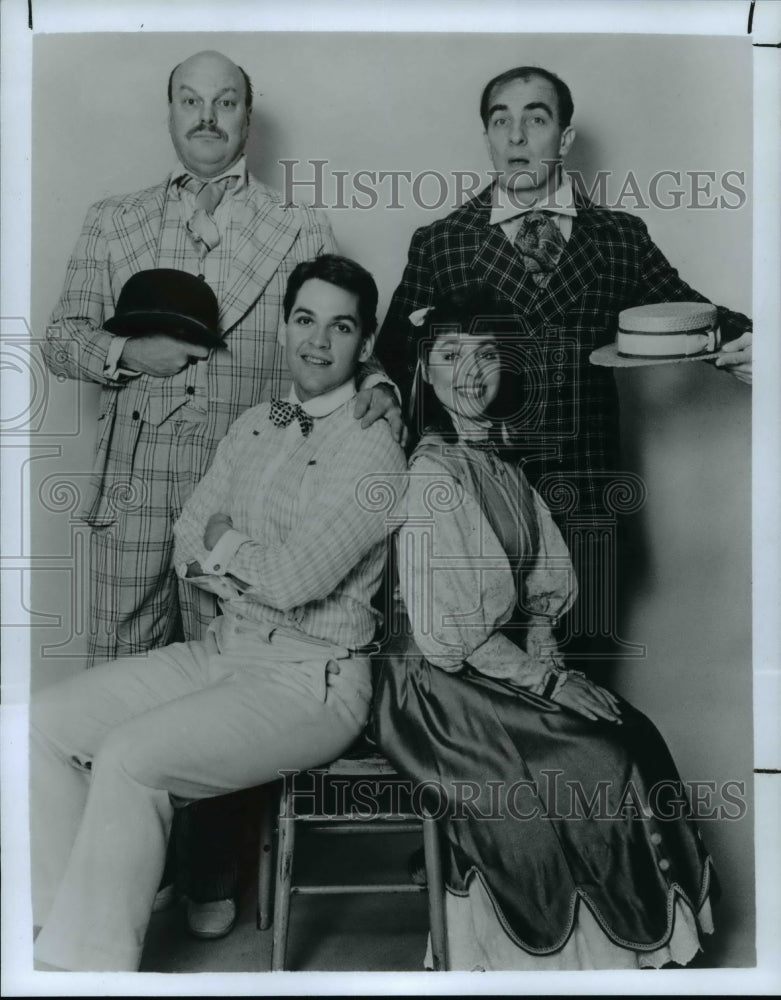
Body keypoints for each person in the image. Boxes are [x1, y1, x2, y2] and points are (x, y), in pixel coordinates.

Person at [40, 49, 400, 934]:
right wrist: (129, 355)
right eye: (191, 101)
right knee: (120, 688)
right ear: (169, 113)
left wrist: (387, 391)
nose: (208, 117)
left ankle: (209, 879)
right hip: (138, 480)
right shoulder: (114, 219)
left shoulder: (295, 222)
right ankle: (113, 889)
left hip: (256, 481)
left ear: (249, 115)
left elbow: (339, 328)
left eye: (226, 102)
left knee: (232, 698)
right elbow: (61, 339)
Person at [373, 290, 716, 971]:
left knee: (629, 729)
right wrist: (548, 681)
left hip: (486, 663)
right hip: (430, 684)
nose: (470, 372)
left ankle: (633, 945)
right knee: (592, 758)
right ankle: (544, 956)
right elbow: (449, 636)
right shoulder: (429, 477)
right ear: (424, 373)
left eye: (486, 354)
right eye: (450, 355)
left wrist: (548, 657)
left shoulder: (502, 463)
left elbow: (538, 594)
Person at [376, 65, 752, 649]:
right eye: (501, 121)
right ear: (489, 138)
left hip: (587, 511)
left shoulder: (619, 238)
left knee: (577, 697)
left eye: (536, 117)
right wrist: (380, 393)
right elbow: (392, 360)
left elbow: (690, 319)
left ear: (566, 138)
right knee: (483, 706)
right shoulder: (442, 241)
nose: (517, 137)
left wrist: (753, 344)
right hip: (475, 517)